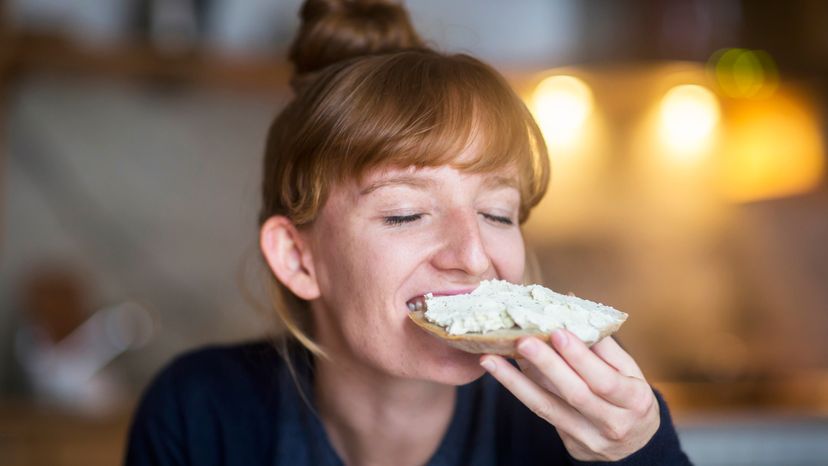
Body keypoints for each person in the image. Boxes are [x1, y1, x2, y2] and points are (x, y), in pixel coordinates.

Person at [126, 0, 691, 464]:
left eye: (497, 214)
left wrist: (642, 455)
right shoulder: (199, 414)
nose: (473, 256)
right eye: (404, 214)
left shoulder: (576, 426)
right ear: (299, 259)